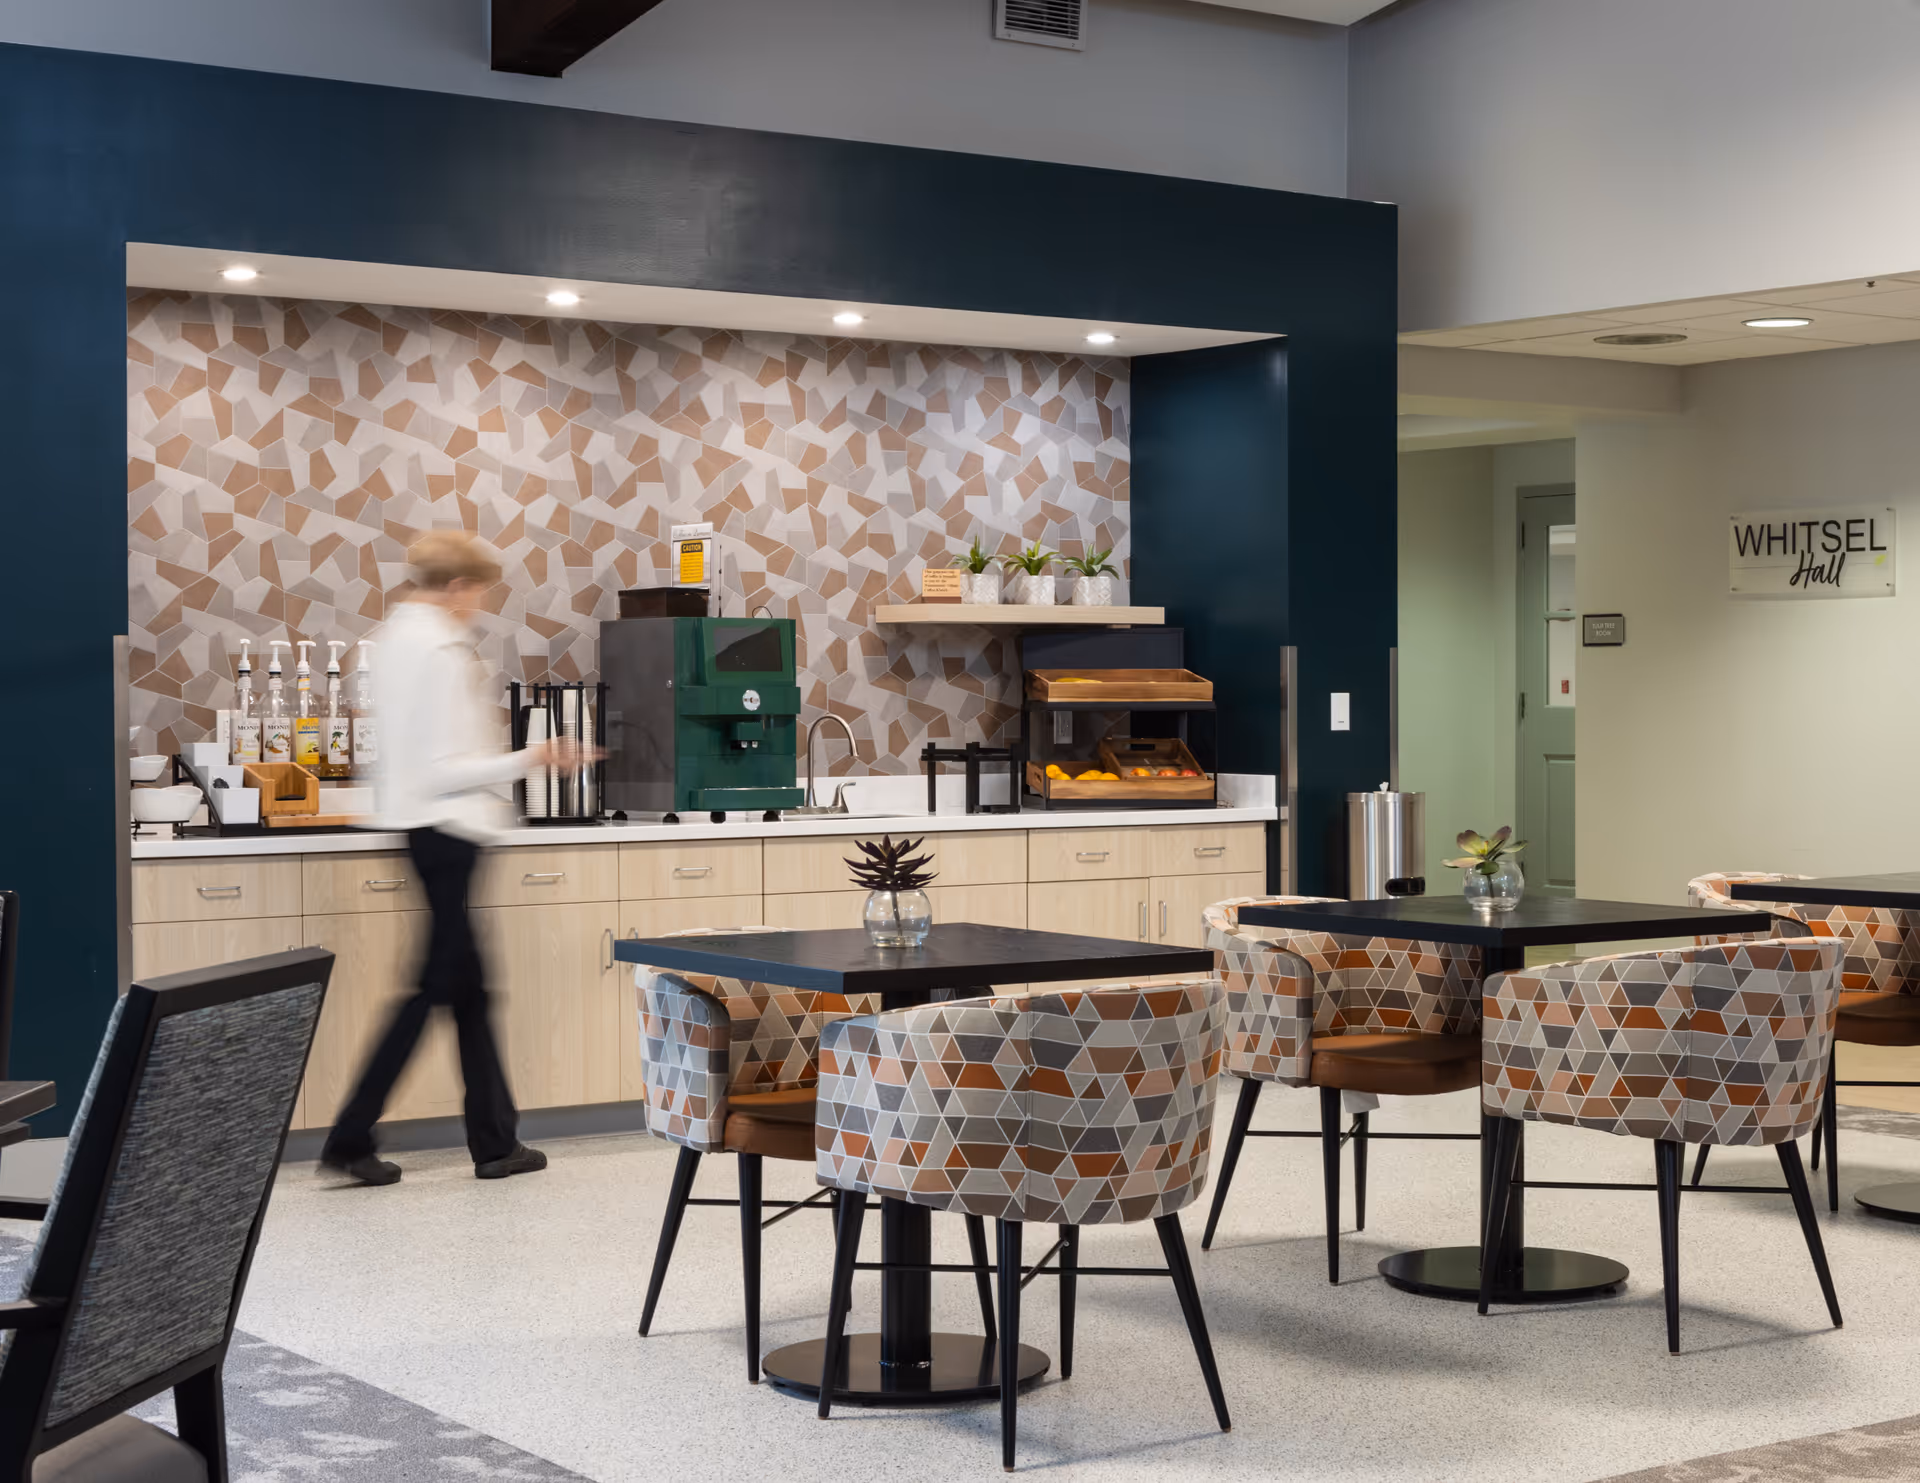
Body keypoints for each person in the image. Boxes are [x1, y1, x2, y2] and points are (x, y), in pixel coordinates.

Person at [321, 531, 599, 1186]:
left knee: (469, 991)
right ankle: (351, 1134)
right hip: (445, 829)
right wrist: (535, 756)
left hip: (418, 827)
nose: (478, 606)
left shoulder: (388, 641)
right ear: (457, 587)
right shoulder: (439, 649)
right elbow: (444, 766)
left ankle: (496, 1142)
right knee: (432, 988)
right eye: (478, 593)